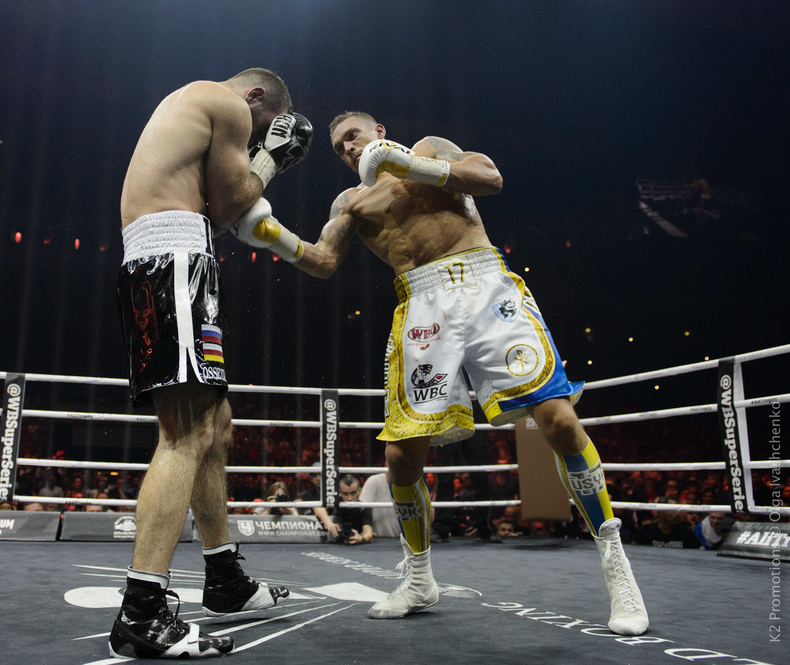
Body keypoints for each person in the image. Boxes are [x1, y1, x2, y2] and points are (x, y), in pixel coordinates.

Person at [232, 111, 648, 634]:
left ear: (379, 132)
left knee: (560, 422)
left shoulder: (429, 148)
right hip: (422, 309)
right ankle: (419, 578)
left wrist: (410, 165)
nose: (347, 148)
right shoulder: (350, 203)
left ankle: (616, 565)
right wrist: (271, 234)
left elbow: (490, 178)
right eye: (338, 147)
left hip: (486, 287)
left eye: (353, 137)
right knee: (400, 458)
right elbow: (323, 260)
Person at [110, 68, 312, 660]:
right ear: (257, 99)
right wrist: (271, 160)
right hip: (172, 259)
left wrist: (260, 162)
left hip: (177, 258)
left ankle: (224, 578)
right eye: (262, 129)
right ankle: (140, 612)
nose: (255, 140)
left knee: (215, 425)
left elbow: (218, 214)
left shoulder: (192, 103)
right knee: (186, 433)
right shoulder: (226, 103)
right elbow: (230, 202)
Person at [313, 474, 374, 545]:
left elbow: (368, 533)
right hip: (332, 545)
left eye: (353, 493)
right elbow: (318, 507)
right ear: (340, 492)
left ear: (359, 491)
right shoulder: (334, 503)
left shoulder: (363, 508)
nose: (349, 498)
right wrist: (329, 524)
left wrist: (361, 538)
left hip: (356, 547)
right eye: (345, 494)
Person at [633, 499, 703, 549]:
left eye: (677, 511)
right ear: (661, 512)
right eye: (672, 511)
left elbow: (700, 551)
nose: (676, 514)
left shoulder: (685, 533)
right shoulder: (645, 531)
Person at [358, 471, 402, 539]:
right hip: (376, 539)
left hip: (402, 539)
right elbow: (363, 510)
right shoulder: (374, 481)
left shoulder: (411, 484)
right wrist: (367, 532)